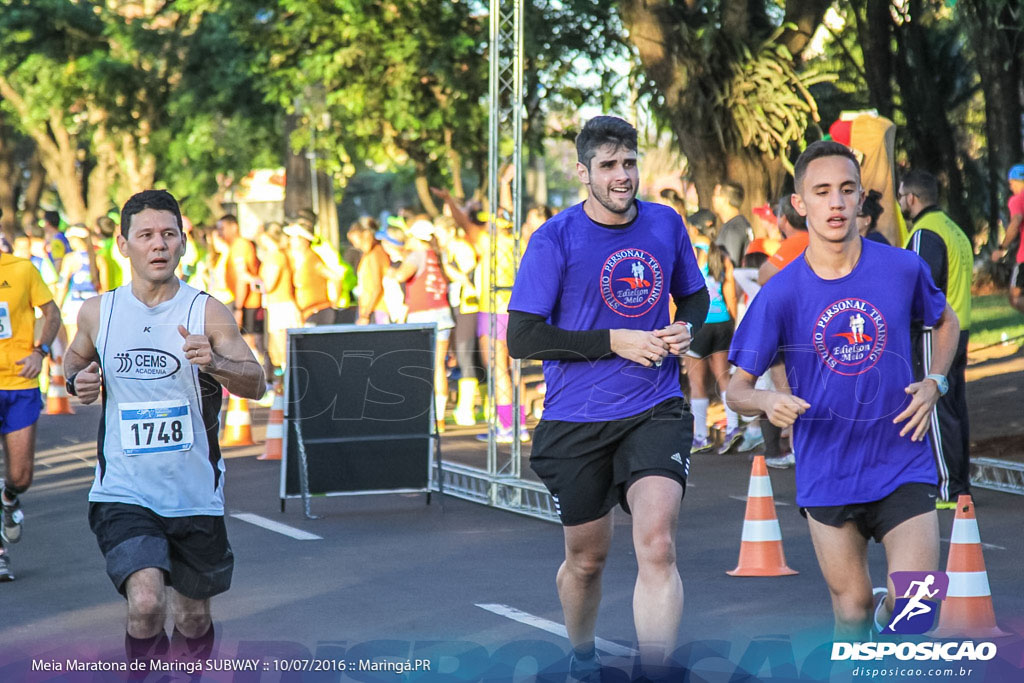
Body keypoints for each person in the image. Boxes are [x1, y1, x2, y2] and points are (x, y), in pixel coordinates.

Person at [726, 140, 959, 640]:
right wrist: (768, 400)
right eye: (823, 191)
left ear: (860, 200)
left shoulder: (900, 268)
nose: (835, 202)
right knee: (852, 608)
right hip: (827, 468)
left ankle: (890, 627)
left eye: (847, 190)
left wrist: (935, 382)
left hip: (901, 457)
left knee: (919, 605)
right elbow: (735, 389)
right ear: (799, 203)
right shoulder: (781, 293)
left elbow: (946, 322)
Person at [507, 116, 709, 679]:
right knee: (587, 560)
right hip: (576, 419)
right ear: (583, 172)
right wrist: (612, 340)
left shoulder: (666, 224)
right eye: (608, 166)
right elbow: (522, 337)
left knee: (657, 544)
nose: (622, 176)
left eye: (629, 163)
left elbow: (694, 297)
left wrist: (684, 328)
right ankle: (582, 656)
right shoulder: (555, 238)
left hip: (655, 407)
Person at [64, 189, 264, 663]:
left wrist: (215, 362)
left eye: (168, 234)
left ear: (182, 243)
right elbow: (76, 355)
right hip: (124, 491)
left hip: (194, 493)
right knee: (147, 603)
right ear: (123, 244)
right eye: (146, 235)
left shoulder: (205, 311)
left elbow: (256, 382)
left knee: (193, 618)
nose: (158, 245)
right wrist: (79, 379)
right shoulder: (99, 311)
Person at [899, 170, 973, 508]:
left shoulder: (923, 232)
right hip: (962, 324)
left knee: (938, 406)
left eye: (901, 197)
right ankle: (959, 483)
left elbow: (919, 283)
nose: (900, 203)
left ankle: (948, 488)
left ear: (911, 198)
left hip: (937, 328)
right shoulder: (953, 228)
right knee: (954, 406)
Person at [0, 239, 62, 581]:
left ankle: (9, 498)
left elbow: (51, 312)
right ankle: (1, 555)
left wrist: (41, 351)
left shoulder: (22, 270)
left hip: (19, 384)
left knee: (21, 477)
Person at [388, 217, 454, 430]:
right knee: (438, 368)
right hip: (443, 313)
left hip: (423, 315)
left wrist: (391, 269)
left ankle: (423, 416)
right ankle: (440, 419)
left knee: (420, 367)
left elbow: (399, 276)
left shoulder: (416, 256)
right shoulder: (438, 254)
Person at [686, 238, 740, 456]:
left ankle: (700, 436)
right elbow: (731, 294)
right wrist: (733, 324)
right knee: (723, 377)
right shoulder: (722, 255)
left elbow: (679, 294)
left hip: (699, 322)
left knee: (696, 382)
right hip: (723, 322)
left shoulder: (692, 254)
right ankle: (733, 426)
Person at [991, 163, 1024, 313]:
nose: (1010, 187)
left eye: (1011, 183)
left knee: (1015, 297)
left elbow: (1016, 220)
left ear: (1018, 181)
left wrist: (1002, 248)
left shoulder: (1017, 199)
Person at [712, 181, 753, 267]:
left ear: (725, 199)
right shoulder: (740, 224)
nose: (713, 199)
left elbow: (731, 266)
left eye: (716, 195)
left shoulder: (733, 229)